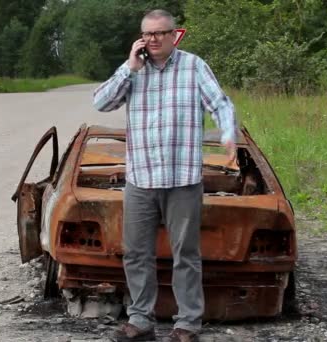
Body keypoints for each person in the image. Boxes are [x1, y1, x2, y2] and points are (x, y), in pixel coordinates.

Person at [93, 9, 236, 342]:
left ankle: (187, 324)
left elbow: (220, 103)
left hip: (182, 179)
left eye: (160, 33)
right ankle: (141, 321)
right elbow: (101, 102)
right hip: (141, 179)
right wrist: (129, 68)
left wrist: (227, 132)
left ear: (175, 35)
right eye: (148, 34)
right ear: (141, 37)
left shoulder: (193, 66)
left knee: (186, 254)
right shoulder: (133, 70)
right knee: (136, 253)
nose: (153, 39)